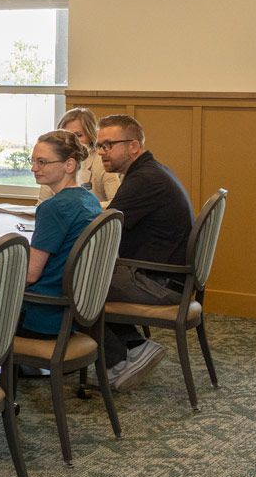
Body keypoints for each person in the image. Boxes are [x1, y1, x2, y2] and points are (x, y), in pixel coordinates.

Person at [95, 114, 194, 390]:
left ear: (134, 146)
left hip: (160, 283)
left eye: (109, 145)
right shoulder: (151, 171)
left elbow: (101, 228)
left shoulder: (143, 180)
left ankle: (121, 357)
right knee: (85, 279)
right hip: (167, 275)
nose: (102, 152)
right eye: (99, 145)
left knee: (75, 286)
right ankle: (133, 347)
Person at [19, 131, 103, 338]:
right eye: (33, 161)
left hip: (44, 315)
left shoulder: (53, 208)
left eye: (42, 162)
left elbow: (30, 274)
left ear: (69, 165)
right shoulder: (89, 200)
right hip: (76, 309)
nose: (34, 168)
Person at [42, 107, 120, 205]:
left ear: (91, 136)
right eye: (66, 136)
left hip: (93, 218)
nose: (71, 141)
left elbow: (116, 203)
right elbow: (42, 204)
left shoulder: (102, 162)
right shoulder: (51, 162)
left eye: (78, 135)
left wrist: (83, 207)